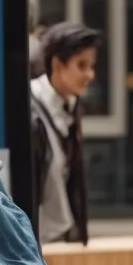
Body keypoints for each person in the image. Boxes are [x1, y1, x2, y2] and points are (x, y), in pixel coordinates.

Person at [31, 22, 100, 244]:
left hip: (61, 237)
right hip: (37, 241)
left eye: (92, 65)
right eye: (81, 65)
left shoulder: (70, 106)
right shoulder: (29, 108)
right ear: (57, 64)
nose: (90, 74)